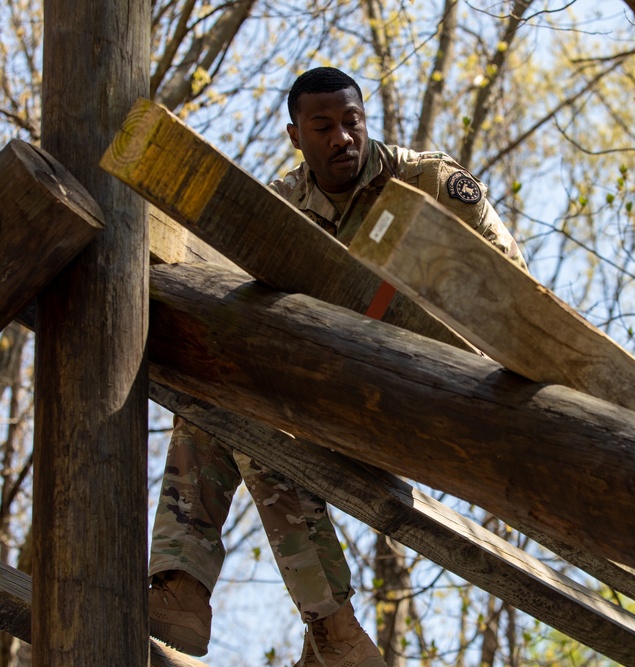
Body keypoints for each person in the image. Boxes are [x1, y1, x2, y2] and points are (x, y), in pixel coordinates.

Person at [148, 67, 526, 667]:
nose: (342, 139)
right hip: (334, 403)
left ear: (364, 119)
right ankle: (186, 589)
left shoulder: (427, 182)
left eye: (351, 122)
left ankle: (332, 628)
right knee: (223, 404)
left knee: (255, 413)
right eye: (322, 127)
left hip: (436, 398)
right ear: (296, 136)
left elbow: (513, 296)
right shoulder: (277, 209)